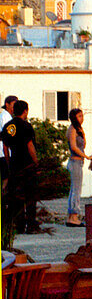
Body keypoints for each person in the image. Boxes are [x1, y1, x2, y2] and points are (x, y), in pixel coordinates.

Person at [1, 100, 41, 233]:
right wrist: (36, 162)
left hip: (14, 164)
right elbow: (30, 145)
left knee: (16, 196)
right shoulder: (26, 126)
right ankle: (31, 225)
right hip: (27, 164)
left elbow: (5, 147)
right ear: (25, 111)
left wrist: (8, 161)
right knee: (30, 196)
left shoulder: (8, 126)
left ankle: (19, 226)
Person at [66, 107, 92, 226]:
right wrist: (86, 156)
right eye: (79, 116)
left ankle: (71, 216)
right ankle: (74, 216)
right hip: (75, 162)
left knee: (75, 189)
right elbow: (74, 147)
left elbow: (83, 144)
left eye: (82, 115)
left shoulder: (79, 129)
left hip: (79, 162)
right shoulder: (72, 129)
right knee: (76, 190)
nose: (82, 118)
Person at [1, 94, 16, 191]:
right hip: (3, 153)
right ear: (7, 104)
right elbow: (8, 135)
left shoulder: (5, 116)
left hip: (4, 152)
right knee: (6, 179)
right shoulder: (6, 118)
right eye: (14, 104)